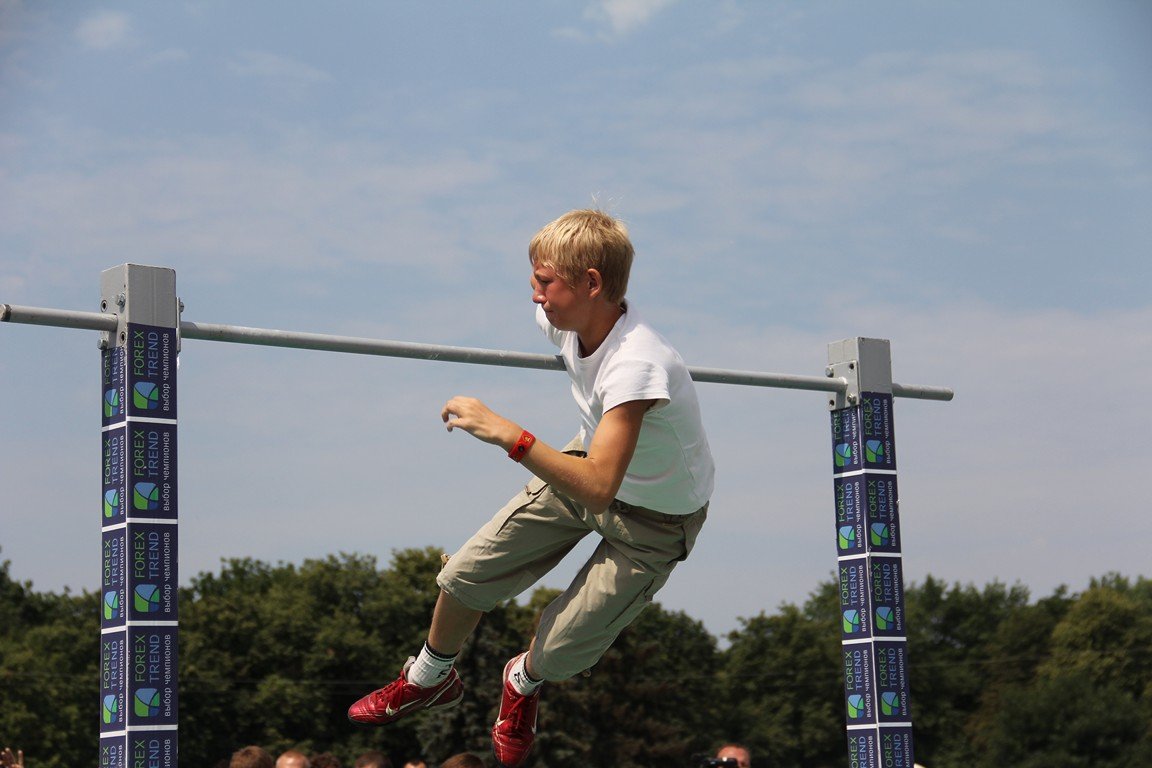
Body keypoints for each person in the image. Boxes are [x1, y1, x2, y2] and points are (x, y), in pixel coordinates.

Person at [348, 209, 715, 768]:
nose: (536, 296)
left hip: (653, 522)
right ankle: (429, 678)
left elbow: (597, 488)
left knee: (562, 653)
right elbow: (593, 476)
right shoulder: (570, 319)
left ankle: (522, 680)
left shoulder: (637, 365)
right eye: (533, 282)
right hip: (589, 465)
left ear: (592, 284)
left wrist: (507, 435)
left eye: (545, 283)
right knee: (465, 573)